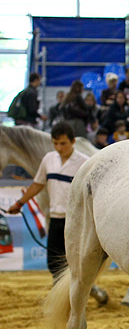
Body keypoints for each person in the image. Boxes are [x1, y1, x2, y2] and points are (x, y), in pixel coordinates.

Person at [6, 122, 105, 308]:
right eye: (55, 143)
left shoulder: (84, 162)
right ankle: (71, 297)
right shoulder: (49, 159)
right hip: (56, 218)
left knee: (76, 263)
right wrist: (20, 203)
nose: (59, 148)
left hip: (76, 222)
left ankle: (74, 300)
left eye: (63, 144)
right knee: (53, 263)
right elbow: (38, 184)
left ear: (73, 142)